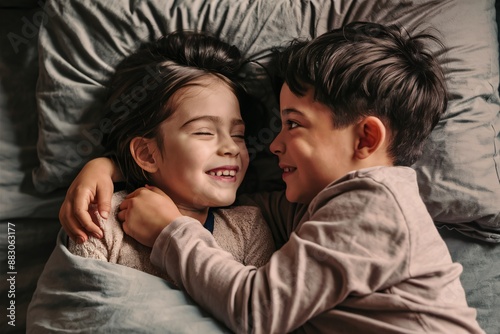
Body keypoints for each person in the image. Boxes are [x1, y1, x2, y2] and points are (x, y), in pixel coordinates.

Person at [60, 22, 484, 333]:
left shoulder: (373, 206)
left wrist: (170, 230)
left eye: (294, 125)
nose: (272, 145)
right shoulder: (323, 207)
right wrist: (113, 166)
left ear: (366, 137)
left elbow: (258, 311)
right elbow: (240, 204)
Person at [65, 31, 275, 283]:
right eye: (204, 132)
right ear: (146, 153)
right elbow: (82, 313)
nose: (231, 147)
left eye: (238, 134)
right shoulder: (101, 221)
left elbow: (258, 307)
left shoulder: (248, 228)